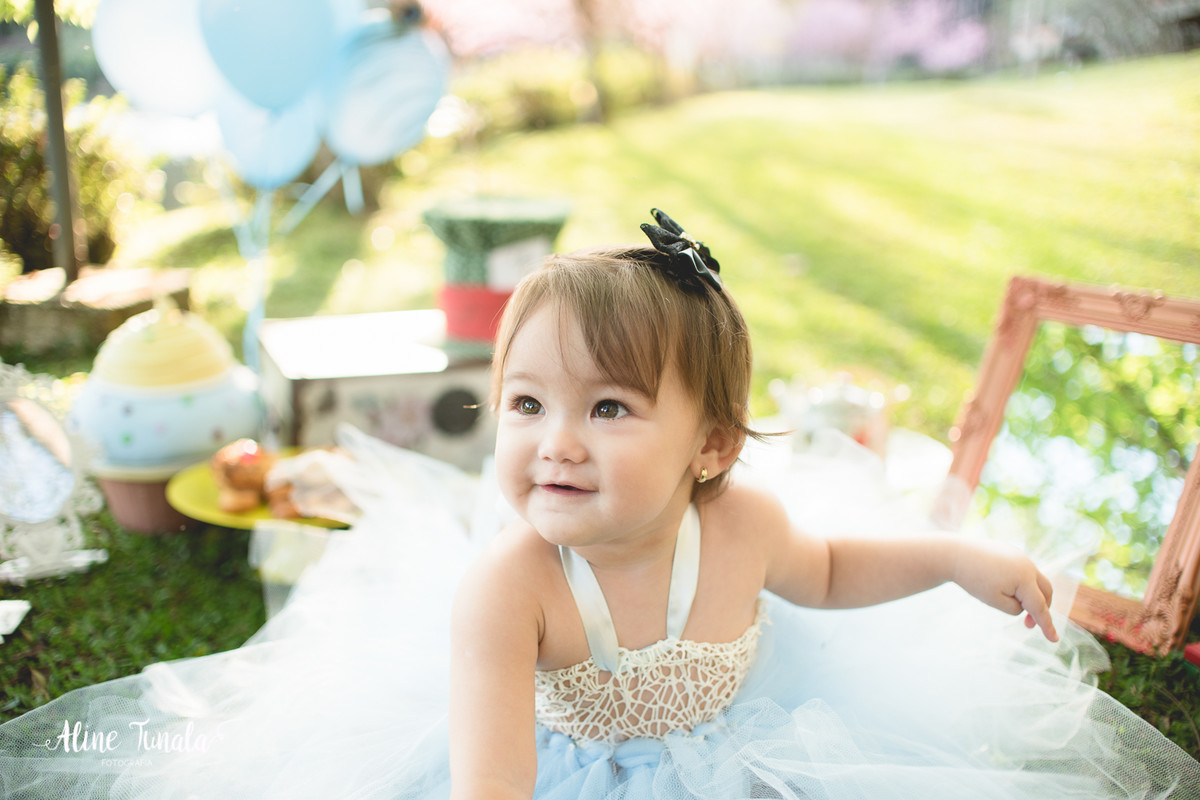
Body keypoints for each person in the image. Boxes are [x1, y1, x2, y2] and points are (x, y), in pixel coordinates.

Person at [0, 211, 1197, 799]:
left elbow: (830, 569)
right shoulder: (507, 588)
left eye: (609, 409)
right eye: (525, 404)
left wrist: (947, 554)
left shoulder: (742, 526)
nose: (553, 442)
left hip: (748, 743)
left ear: (712, 446)